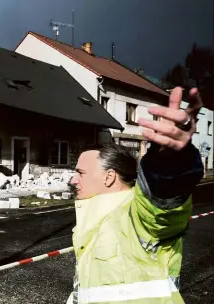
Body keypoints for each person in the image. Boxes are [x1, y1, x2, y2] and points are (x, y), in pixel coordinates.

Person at [66, 87, 204, 304]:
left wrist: (168, 162)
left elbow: (157, 211)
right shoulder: (96, 220)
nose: (73, 180)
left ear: (109, 177)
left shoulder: (134, 219)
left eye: (80, 173)